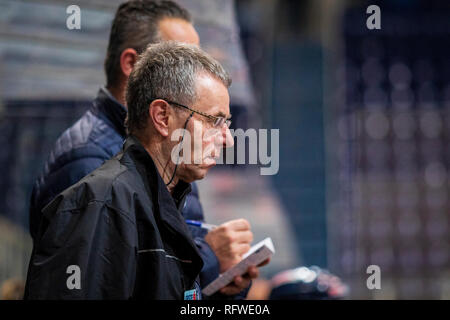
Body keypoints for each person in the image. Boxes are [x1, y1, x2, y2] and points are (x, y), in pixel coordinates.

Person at [29, 0, 254, 298]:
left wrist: (221, 286)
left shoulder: (170, 179)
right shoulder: (96, 184)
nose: (227, 140)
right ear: (161, 116)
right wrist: (210, 257)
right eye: (214, 121)